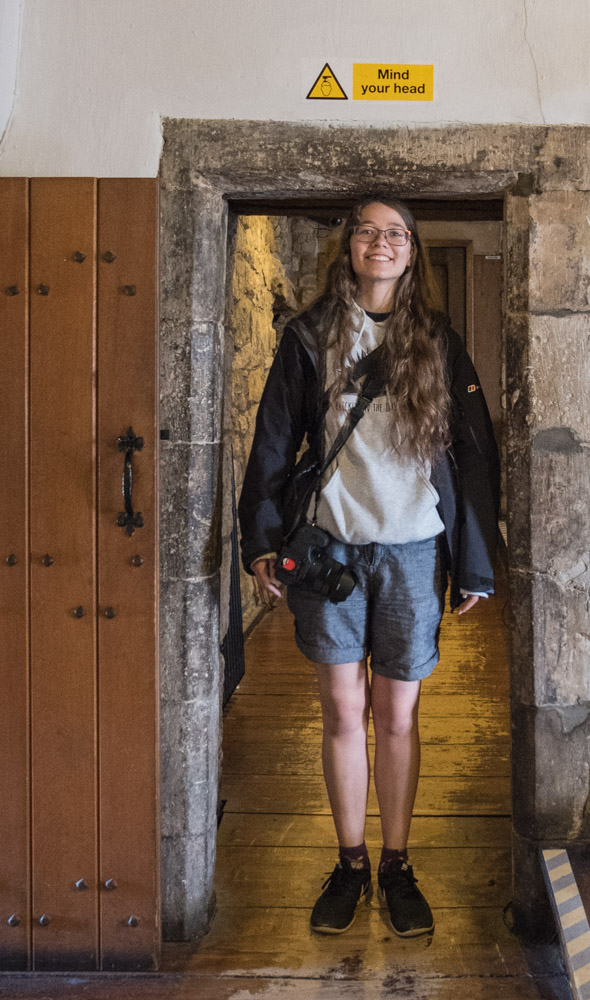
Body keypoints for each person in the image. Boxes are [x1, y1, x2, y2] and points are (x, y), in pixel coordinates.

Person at [238, 194, 500, 937]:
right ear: (348, 246)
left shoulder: (438, 342)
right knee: (342, 710)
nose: (380, 244)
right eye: (367, 232)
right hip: (331, 546)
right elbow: (273, 440)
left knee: (397, 714)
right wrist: (261, 538)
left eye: (395, 234)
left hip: (414, 550)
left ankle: (396, 862)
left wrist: (476, 563)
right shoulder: (309, 336)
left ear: (411, 251)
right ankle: (350, 861)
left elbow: (473, 454)